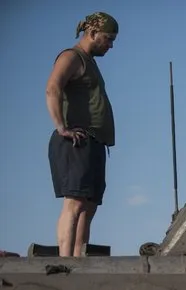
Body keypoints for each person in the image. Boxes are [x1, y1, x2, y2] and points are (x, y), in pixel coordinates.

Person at [45, 12, 119, 257]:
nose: (110, 45)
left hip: (95, 142)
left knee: (89, 206)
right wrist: (61, 127)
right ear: (92, 33)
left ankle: (79, 262)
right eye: (108, 39)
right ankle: (65, 260)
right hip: (75, 140)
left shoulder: (90, 62)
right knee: (75, 202)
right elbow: (52, 87)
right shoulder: (71, 56)